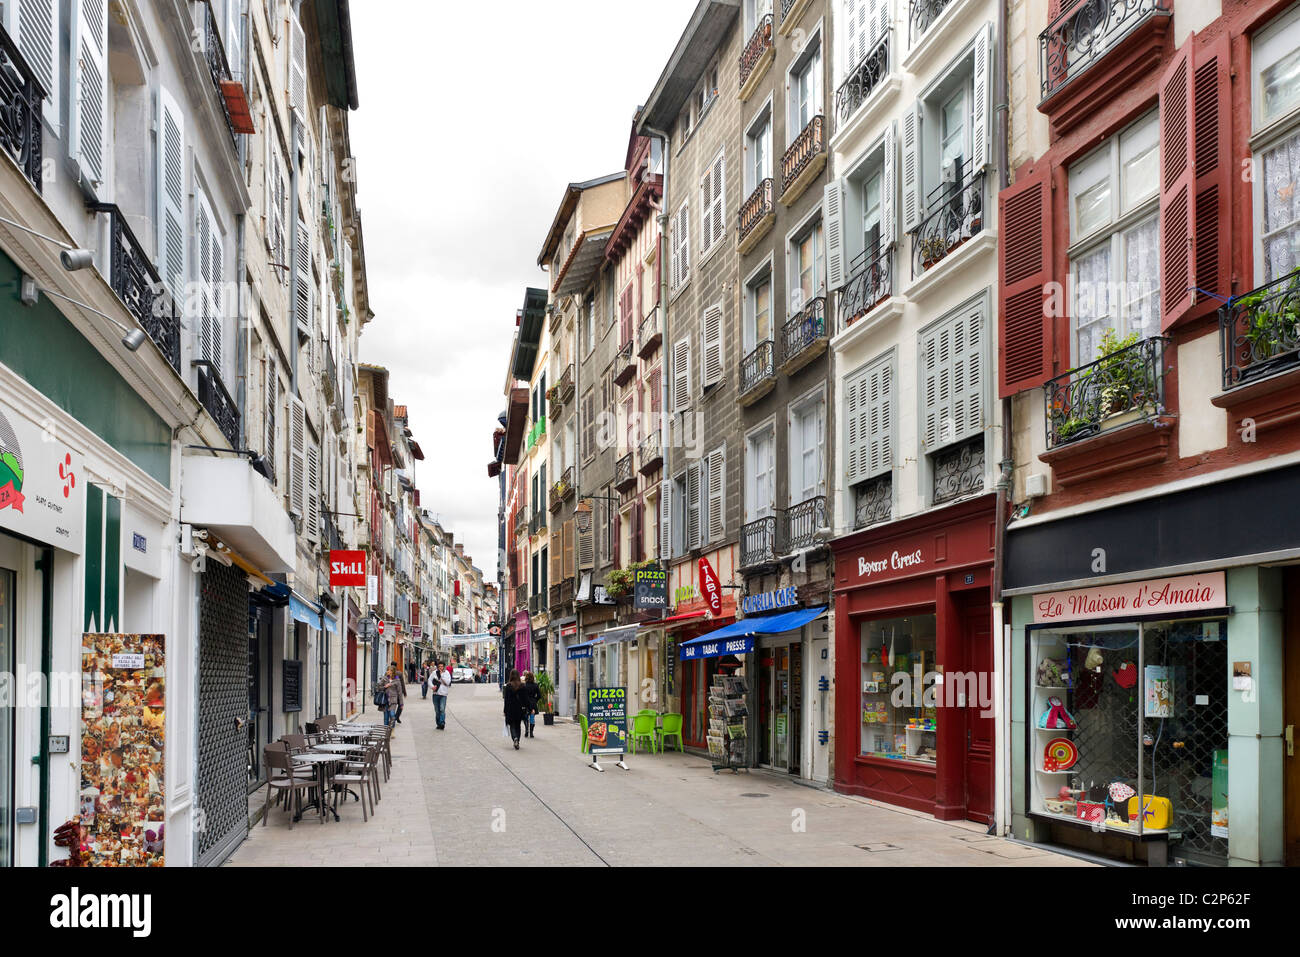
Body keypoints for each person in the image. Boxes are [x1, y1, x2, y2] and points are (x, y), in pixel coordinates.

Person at [503, 669, 527, 749]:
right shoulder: (522, 686)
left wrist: (505, 710)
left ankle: (515, 738)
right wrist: (527, 708)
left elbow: (506, 700)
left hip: (510, 708)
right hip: (519, 709)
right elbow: (525, 699)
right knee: (518, 725)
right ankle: (518, 740)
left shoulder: (508, 686)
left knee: (512, 725)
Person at [380, 664, 404, 728]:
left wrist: (401, 704)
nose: (387, 671)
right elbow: (378, 687)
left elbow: (400, 693)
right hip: (385, 700)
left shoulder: (397, 680)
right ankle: (386, 731)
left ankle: (392, 730)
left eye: (389, 670)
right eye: (387, 670)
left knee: (392, 715)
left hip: (393, 700)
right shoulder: (384, 679)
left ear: (392, 671)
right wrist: (385, 686)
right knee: (386, 717)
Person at [431, 658, 452, 730]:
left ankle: (442, 723)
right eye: (439, 666)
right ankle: (438, 723)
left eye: (442, 666)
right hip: (435, 694)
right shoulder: (434, 673)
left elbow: (448, 682)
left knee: (442, 709)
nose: (440, 668)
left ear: (444, 667)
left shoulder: (447, 673)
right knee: (437, 711)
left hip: (443, 694)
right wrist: (432, 687)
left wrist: (441, 676)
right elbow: (429, 680)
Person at [521, 672, 541, 738]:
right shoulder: (536, 685)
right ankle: (531, 732)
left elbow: (522, 695)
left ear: (526, 678)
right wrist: (535, 700)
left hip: (525, 703)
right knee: (532, 718)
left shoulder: (524, 685)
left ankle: (526, 729)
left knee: (525, 717)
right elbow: (539, 695)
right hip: (533, 703)